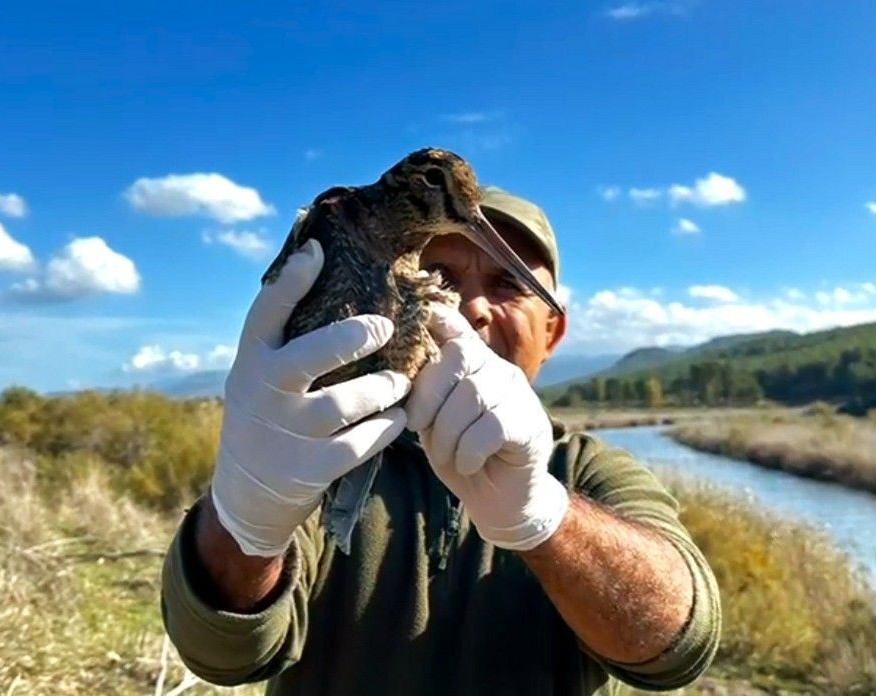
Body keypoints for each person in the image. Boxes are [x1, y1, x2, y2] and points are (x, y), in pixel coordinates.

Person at [161, 186, 721, 695]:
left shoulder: (586, 468)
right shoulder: (324, 448)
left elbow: (679, 646)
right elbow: (223, 655)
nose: (472, 308)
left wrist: (544, 515)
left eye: (508, 283)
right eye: (443, 280)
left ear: (553, 332)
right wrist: (244, 524)